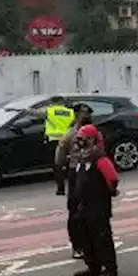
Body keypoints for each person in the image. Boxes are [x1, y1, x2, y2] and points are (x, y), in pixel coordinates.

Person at [69, 124, 121, 276]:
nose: (79, 142)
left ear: (91, 139)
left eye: (82, 139)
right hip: (83, 205)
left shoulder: (99, 158)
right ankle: (93, 265)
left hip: (97, 206)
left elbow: (112, 178)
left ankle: (110, 269)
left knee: (101, 237)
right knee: (86, 236)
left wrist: (109, 190)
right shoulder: (82, 157)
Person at [56, 103, 94, 256]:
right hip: (77, 173)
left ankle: (89, 244)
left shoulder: (92, 132)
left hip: (90, 172)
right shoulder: (70, 135)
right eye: (85, 113)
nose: (88, 116)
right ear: (77, 115)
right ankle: (78, 245)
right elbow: (58, 161)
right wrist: (60, 184)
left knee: (91, 211)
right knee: (76, 211)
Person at [43, 96, 75, 195]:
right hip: (68, 139)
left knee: (57, 166)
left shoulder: (49, 111)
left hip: (54, 140)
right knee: (71, 164)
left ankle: (60, 189)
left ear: (53, 102)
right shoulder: (70, 112)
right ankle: (73, 187)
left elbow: (34, 113)